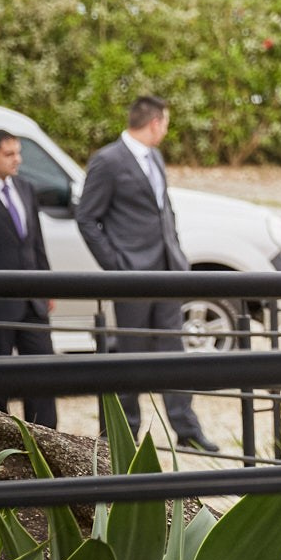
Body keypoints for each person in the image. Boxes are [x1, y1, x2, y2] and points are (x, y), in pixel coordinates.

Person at [75, 95, 218, 453]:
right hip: (131, 277)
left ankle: (187, 430)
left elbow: (164, 210)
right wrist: (115, 266)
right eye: (166, 123)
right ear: (155, 122)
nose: (166, 130)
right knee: (131, 356)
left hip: (168, 272)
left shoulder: (155, 157)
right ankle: (124, 436)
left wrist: (177, 253)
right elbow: (87, 217)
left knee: (173, 353)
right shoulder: (108, 160)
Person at [0, 128, 59, 429]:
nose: (17, 160)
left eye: (18, 153)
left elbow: (36, 243)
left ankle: (46, 441)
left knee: (42, 376)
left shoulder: (25, 187)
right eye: (9, 154)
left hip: (33, 300)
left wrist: (47, 285)